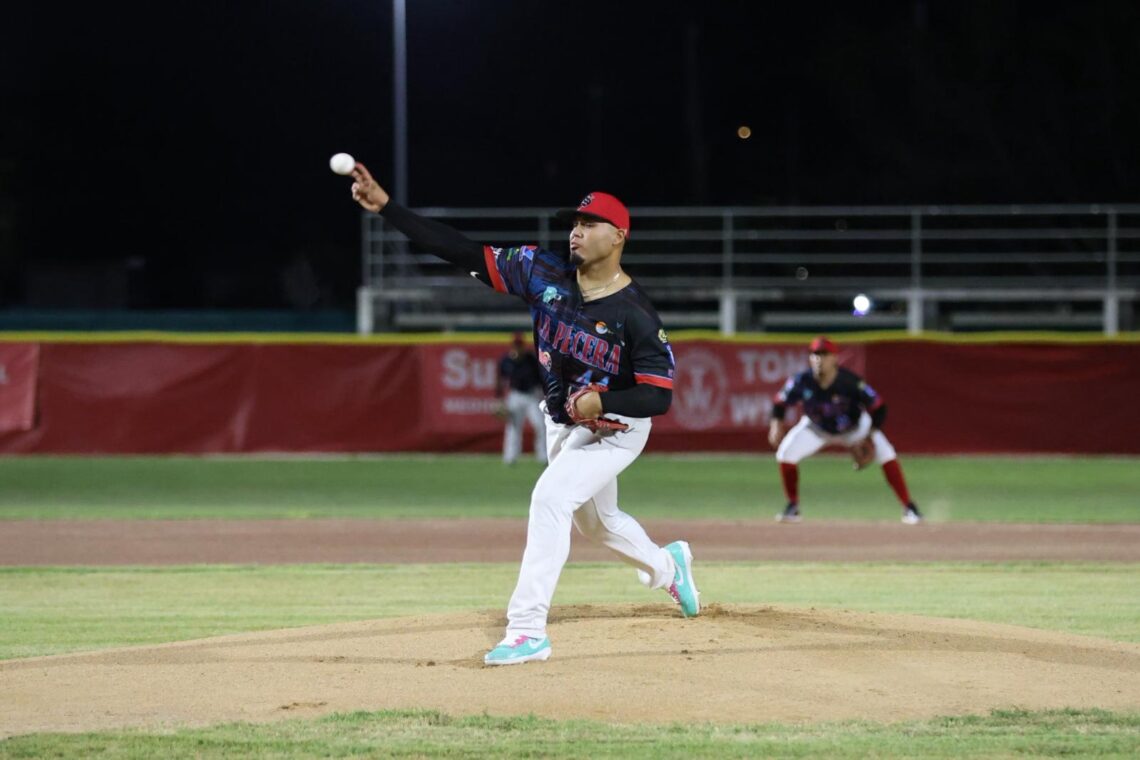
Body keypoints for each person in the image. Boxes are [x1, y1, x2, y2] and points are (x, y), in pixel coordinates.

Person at [348, 164, 700, 666]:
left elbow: (658, 397)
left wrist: (604, 401)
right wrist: (387, 207)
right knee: (599, 525)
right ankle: (670, 566)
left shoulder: (636, 314)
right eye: (573, 221)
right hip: (564, 421)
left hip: (619, 429)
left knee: (550, 498)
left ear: (619, 235)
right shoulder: (541, 271)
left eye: (590, 222)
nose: (576, 229)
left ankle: (528, 630)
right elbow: (462, 250)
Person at [767, 335, 923, 525]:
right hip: (817, 428)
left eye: (824, 355)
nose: (819, 359)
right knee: (785, 454)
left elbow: (879, 407)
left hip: (855, 428)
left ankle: (909, 507)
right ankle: (793, 507)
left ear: (835, 359)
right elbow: (779, 402)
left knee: (887, 454)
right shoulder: (801, 381)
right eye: (815, 354)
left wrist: (869, 436)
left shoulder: (850, 382)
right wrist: (776, 423)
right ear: (809, 358)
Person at [495, 332, 547, 465]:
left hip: (532, 396)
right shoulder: (506, 361)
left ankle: (543, 456)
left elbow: (541, 378)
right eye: (515, 345)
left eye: (519, 345)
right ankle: (510, 457)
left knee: (540, 425)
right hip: (515, 395)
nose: (517, 348)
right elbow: (500, 380)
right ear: (512, 346)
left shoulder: (531, 359)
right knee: (513, 427)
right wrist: (498, 399)